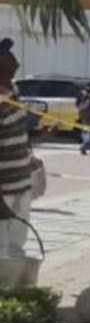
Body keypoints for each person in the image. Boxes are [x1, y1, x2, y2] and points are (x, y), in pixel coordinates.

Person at [0, 40, 38, 258]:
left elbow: (15, 132)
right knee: (1, 248)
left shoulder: (12, 94)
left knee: (16, 246)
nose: (16, 62)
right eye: (8, 57)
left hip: (22, 184)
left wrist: (42, 134)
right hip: (4, 189)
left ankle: (13, 277)